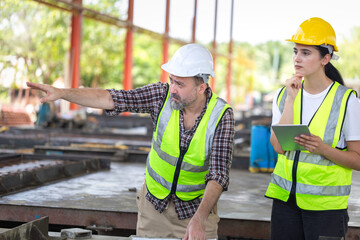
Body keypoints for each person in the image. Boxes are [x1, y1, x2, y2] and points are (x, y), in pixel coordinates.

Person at [27, 43, 235, 240]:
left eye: (180, 84)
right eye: (171, 80)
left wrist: (199, 219)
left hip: (197, 212)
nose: (172, 88)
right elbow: (111, 98)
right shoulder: (161, 96)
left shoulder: (221, 115)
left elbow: (218, 175)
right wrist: (63, 93)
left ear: (202, 87)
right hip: (155, 209)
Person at [265, 17, 360, 239]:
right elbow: (279, 147)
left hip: (326, 210)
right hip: (285, 202)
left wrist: (324, 149)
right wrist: (290, 99)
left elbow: (358, 160)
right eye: (295, 51)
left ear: (325, 58)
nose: (297, 58)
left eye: (306, 53)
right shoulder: (283, 94)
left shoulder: (347, 101)